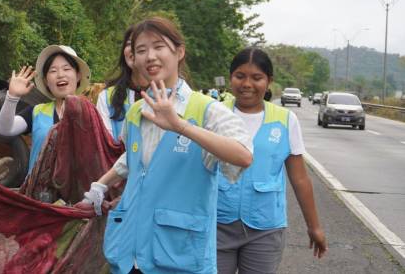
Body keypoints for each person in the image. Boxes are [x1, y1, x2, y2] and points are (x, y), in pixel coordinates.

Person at [78, 16, 253, 274]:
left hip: (179, 258)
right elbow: (133, 160)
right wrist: (100, 187)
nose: (150, 56)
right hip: (130, 255)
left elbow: (243, 155)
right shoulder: (137, 111)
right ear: (132, 59)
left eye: (158, 46)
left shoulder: (206, 110)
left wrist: (181, 126)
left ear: (179, 52)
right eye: (141, 50)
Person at [216, 47, 327, 274]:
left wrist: (314, 226)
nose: (247, 84)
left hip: (265, 229)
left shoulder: (286, 120)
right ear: (230, 79)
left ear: (269, 81)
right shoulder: (215, 114)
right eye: (240, 76)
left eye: (256, 78)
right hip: (216, 224)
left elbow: (300, 179)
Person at [0, 45, 91, 174]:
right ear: (46, 81)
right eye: (53, 71)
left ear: (78, 75)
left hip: (78, 192)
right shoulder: (37, 112)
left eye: (66, 69)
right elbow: (6, 129)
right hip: (36, 191)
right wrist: (12, 96)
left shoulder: (90, 113)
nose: (60, 75)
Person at [96, 26, 148, 141]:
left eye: (141, 44)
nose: (134, 48)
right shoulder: (106, 97)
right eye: (129, 43)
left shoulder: (170, 94)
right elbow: (104, 145)